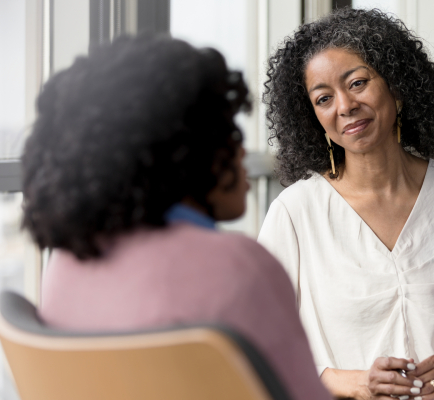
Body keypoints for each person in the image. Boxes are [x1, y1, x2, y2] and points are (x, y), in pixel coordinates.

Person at [21, 34, 331, 400]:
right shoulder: (237, 268)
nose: (241, 151)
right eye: (228, 132)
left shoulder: (67, 262)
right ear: (187, 152)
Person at [258, 8, 434, 400]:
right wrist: (358, 384)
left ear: (397, 87)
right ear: (312, 117)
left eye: (358, 83)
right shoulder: (295, 214)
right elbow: (264, 353)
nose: (345, 106)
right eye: (323, 99)